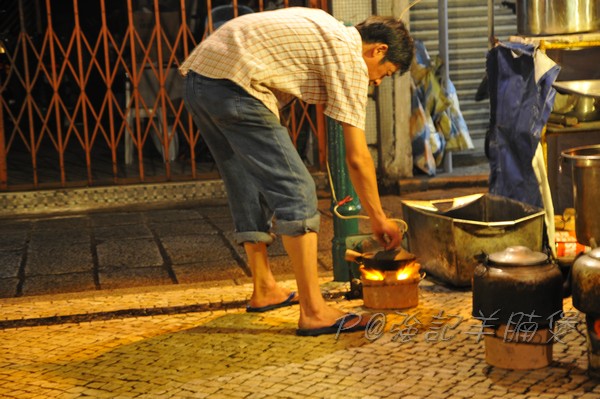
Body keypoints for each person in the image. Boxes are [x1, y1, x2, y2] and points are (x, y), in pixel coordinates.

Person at [179, 6, 414, 336]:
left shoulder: (324, 29)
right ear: (378, 50)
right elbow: (357, 156)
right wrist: (377, 216)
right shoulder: (349, 55)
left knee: (245, 180)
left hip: (199, 81)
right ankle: (314, 310)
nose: (376, 81)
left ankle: (264, 289)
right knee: (297, 189)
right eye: (384, 73)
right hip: (233, 85)